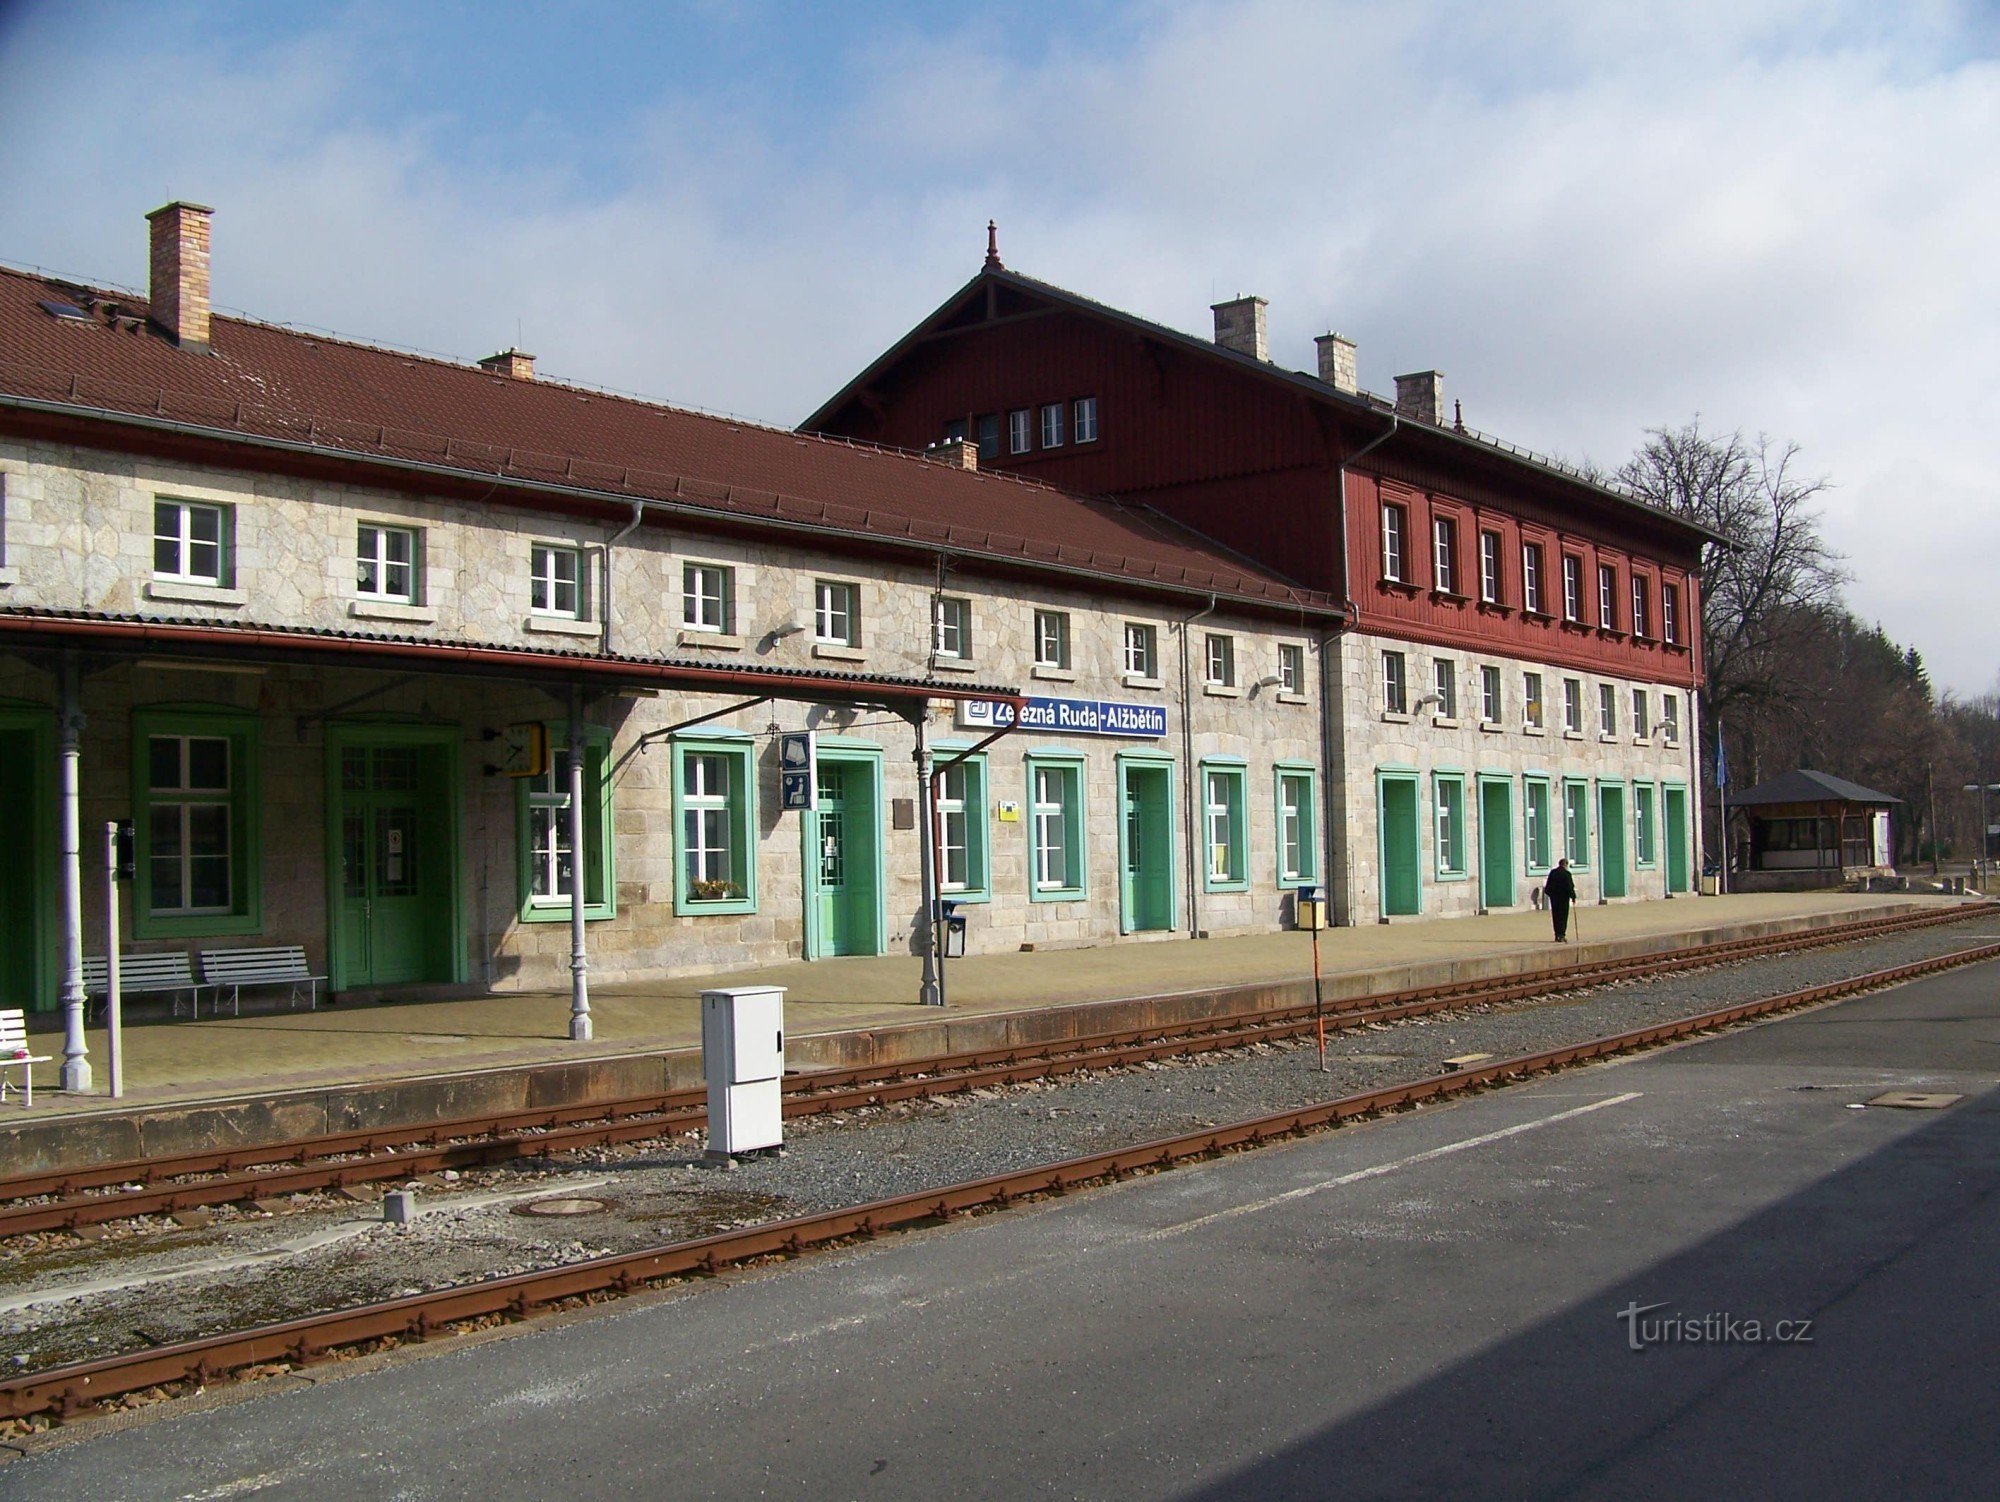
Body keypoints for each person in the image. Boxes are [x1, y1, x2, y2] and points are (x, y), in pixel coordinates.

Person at [1544, 857, 1577, 942]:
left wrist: (1551, 895)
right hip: (1563, 899)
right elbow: (1570, 887)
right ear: (1565, 864)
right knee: (1563, 917)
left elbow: (1547, 888)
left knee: (1555, 917)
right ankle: (1561, 935)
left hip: (1554, 899)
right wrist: (1573, 897)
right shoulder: (1567, 874)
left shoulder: (1553, 873)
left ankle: (1556, 934)